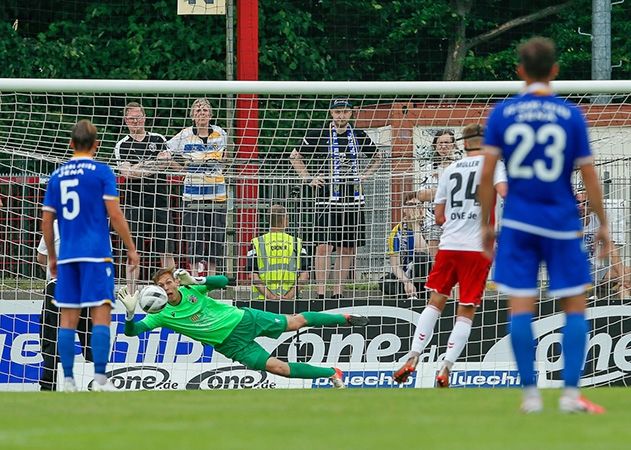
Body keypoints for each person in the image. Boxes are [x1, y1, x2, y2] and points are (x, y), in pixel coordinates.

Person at [478, 37, 610, 414]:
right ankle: (569, 395)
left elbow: (487, 174)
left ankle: (531, 397)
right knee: (574, 306)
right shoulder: (570, 115)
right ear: (555, 70)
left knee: (520, 305)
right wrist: (602, 223)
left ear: (519, 70)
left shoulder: (503, 114)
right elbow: (589, 174)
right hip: (562, 223)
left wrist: (486, 224)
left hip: (518, 221)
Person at [118, 268, 370, 387]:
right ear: (157, 292)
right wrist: (129, 314)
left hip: (244, 319)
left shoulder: (191, 288)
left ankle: (346, 318)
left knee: (296, 322)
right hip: (231, 344)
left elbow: (225, 281)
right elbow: (132, 332)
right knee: (278, 369)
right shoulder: (161, 315)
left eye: (169, 282)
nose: (168, 287)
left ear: (175, 281)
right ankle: (331, 372)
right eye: (162, 286)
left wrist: (198, 280)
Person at [394, 123, 507, 387]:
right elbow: (505, 193)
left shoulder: (450, 170)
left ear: (463, 144)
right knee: (466, 308)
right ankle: (446, 365)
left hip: (448, 246)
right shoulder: (494, 165)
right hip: (477, 248)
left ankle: (413, 354)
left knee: (434, 302)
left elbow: (439, 216)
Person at [41, 119, 140, 392]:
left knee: (67, 320)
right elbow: (115, 214)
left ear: (71, 144)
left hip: (68, 256)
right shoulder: (101, 172)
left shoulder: (57, 176)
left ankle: (69, 380)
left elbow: (46, 221)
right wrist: (131, 248)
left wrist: (52, 256)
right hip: (96, 254)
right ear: (96, 145)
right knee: (100, 316)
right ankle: (99, 379)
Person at [290, 98, 382, 299]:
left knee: (347, 246)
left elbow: (377, 157)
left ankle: (338, 292)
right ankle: (321, 292)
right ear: (331, 113)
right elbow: (295, 156)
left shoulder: (359, 135)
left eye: (345, 112)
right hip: (326, 197)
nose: (341, 116)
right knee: (323, 245)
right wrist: (308, 178)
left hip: (352, 197)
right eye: (337, 112)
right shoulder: (318, 134)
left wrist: (365, 175)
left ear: (351, 114)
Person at [114, 102, 175, 289]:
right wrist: (151, 164)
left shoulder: (158, 139)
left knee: (166, 251)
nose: (135, 121)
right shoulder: (122, 145)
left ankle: (171, 291)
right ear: (126, 121)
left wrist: (139, 167)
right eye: (131, 118)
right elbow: (128, 173)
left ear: (144, 118)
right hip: (134, 204)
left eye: (138, 117)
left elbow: (165, 163)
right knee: (133, 251)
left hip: (160, 203)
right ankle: (131, 293)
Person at [167, 98, 228, 277]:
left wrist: (221, 163)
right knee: (195, 235)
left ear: (211, 114)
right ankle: (194, 276)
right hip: (192, 195)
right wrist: (181, 169)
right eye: (198, 110)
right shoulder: (184, 135)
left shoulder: (220, 133)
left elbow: (226, 157)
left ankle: (213, 277)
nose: (202, 113)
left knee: (216, 236)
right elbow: (166, 152)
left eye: (205, 110)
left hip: (217, 193)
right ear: (192, 115)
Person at [36, 219, 92, 391]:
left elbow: (41, 258)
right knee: (90, 339)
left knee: (53, 339)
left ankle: (50, 386)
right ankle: (96, 384)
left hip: (59, 285)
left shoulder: (53, 224)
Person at [246, 205, 310, 300]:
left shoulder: (256, 242)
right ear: (285, 220)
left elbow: (252, 275)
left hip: (262, 302)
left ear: (268, 221)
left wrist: (271, 297)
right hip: (291, 301)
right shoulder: (297, 243)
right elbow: (305, 276)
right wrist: (288, 296)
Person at [577, 190, 630, 299]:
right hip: (576, 270)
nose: (581, 206)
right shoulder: (567, 223)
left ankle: (623, 292)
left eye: (585, 203)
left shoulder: (596, 220)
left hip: (595, 269)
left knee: (627, 273)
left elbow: (611, 249)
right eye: (577, 203)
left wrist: (623, 277)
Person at [381, 192, 432, 300]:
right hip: (406, 275)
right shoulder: (397, 231)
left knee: (421, 258)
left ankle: (421, 295)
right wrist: (406, 282)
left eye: (417, 205)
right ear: (404, 209)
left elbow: (423, 252)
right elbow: (395, 265)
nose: (414, 208)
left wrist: (415, 225)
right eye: (410, 205)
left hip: (426, 275)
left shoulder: (429, 227)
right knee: (384, 282)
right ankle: (409, 292)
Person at [418, 129, 459, 260]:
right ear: (435, 146)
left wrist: (437, 191)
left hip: (456, 219)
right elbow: (422, 195)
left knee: (455, 258)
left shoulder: (460, 167)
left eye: (447, 142)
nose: (443, 146)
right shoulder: (428, 168)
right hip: (432, 220)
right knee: (436, 260)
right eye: (440, 143)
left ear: (453, 145)